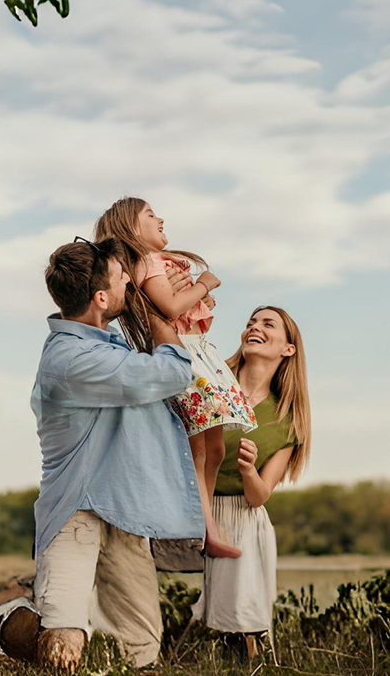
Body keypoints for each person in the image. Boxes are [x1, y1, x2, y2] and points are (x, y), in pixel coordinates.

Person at [0, 236, 205, 671]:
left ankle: (33, 619)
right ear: (101, 297)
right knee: (63, 644)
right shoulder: (73, 360)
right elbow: (171, 373)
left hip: (124, 507)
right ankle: (4, 625)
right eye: (121, 276)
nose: (130, 279)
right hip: (78, 508)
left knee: (144, 643)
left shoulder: (108, 344)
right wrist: (164, 314)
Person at [94, 198, 257, 560]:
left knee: (215, 449)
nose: (161, 218)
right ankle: (203, 529)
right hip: (186, 358)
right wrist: (203, 286)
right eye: (151, 215)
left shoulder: (159, 264)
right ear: (133, 229)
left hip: (201, 353)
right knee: (199, 451)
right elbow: (169, 307)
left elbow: (179, 308)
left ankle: (206, 522)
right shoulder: (148, 263)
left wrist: (198, 301)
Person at [192, 305, 311, 649]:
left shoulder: (287, 421)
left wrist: (247, 470)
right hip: (191, 499)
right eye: (250, 323)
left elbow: (259, 496)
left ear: (287, 349)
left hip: (239, 511)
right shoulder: (210, 380)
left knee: (246, 527)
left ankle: (243, 642)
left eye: (267, 324)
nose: (254, 327)